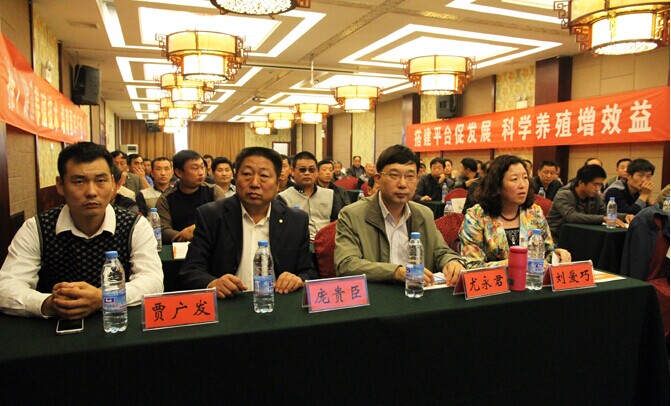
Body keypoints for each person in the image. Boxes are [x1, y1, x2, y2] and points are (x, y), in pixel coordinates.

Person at [0, 142, 163, 318]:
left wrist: (102, 298)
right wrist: (49, 304)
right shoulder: (37, 227)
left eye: (100, 181)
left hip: (116, 325)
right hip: (54, 327)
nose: (91, 192)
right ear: (60, 185)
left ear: (113, 183)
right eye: (79, 181)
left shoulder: (135, 225)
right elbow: (6, 287)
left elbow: (153, 281)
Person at [178, 147, 317, 298]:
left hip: (278, 303)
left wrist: (297, 279)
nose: (255, 183)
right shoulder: (211, 215)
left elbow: (309, 271)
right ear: (235, 177)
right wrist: (212, 283)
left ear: (278, 183)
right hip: (228, 304)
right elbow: (190, 270)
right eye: (247, 174)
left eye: (264, 176)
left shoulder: (296, 220)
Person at [334, 144, 465, 286]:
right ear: (378, 179)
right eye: (394, 175)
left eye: (410, 176)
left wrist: (451, 262)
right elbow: (346, 264)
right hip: (377, 296)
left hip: (417, 294)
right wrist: (396, 272)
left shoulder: (424, 214)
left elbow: (441, 251)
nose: (402, 184)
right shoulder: (352, 215)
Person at [459, 155, 571, 269]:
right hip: (497, 280)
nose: (522, 185)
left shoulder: (534, 212)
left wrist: (556, 254)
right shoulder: (476, 216)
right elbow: (472, 266)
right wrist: (514, 262)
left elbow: (546, 252)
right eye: (514, 179)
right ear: (497, 185)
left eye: (525, 178)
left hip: (532, 279)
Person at [155, 150, 226, 243]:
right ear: (179, 172)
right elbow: (163, 231)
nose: (201, 173)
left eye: (202, 167)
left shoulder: (214, 191)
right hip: (180, 248)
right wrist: (185, 235)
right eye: (195, 168)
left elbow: (223, 220)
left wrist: (195, 231)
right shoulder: (166, 199)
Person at [547, 164, 633, 240]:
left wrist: (625, 216)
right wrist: (603, 218)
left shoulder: (595, 196)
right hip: (556, 237)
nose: (598, 189)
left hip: (581, 236)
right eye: (595, 184)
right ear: (581, 183)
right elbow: (572, 216)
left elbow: (605, 213)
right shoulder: (564, 194)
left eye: (600, 185)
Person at [279, 151, 340, 240]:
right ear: (292, 171)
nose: (307, 173)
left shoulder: (330, 194)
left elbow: (337, 223)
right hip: (298, 243)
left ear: (317, 172)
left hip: (327, 242)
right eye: (302, 170)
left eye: (311, 170)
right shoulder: (283, 198)